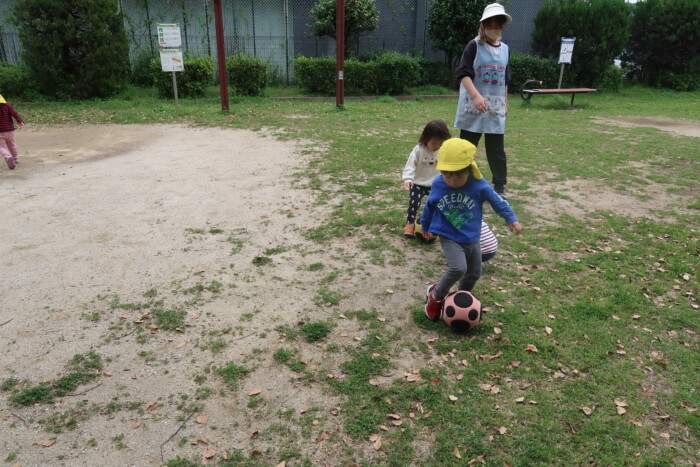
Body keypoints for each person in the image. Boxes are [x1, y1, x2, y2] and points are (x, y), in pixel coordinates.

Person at [420, 138, 522, 320]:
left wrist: (511, 218)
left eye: (458, 176)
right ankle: (435, 297)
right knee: (458, 268)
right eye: (447, 175)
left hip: (472, 236)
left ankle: (460, 300)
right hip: (448, 235)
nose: (452, 181)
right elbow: (429, 206)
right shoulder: (439, 184)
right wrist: (425, 226)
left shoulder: (479, 185)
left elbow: (497, 201)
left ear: (469, 169)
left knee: (474, 273)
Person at [454, 3, 512, 198]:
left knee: (496, 150)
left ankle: (499, 186)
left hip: (495, 107)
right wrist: (476, 96)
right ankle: (461, 181)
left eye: (497, 24)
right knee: (466, 147)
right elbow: (463, 73)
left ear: (502, 26)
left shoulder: (505, 49)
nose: (493, 27)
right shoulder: (474, 46)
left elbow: (505, 78)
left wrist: (505, 102)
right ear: (483, 25)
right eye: (489, 24)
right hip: (473, 105)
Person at [401, 120, 452, 238]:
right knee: (414, 203)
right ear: (426, 138)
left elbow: (448, 167)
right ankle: (410, 224)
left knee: (439, 204)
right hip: (418, 183)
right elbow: (410, 165)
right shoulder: (419, 149)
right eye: (433, 143)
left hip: (435, 184)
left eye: (440, 143)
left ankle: (437, 225)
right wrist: (408, 179)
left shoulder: (443, 151)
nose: (437, 146)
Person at [0, 94, 25, 170]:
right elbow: (14, 113)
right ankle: (16, 159)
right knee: (12, 145)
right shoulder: (7, 106)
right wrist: (20, 121)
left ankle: (7, 156)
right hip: (10, 130)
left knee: (1, 147)